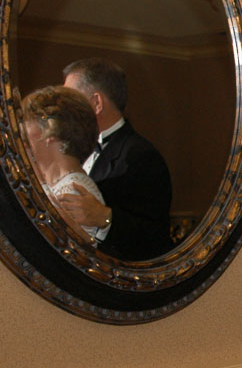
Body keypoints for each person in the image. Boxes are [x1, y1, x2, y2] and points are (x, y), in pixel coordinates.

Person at [59, 58, 173, 260]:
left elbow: (155, 235)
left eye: (71, 100)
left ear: (97, 103)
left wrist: (105, 217)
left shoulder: (141, 156)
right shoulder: (74, 150)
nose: (63, 110)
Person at [22, 85, 105, 240]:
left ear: (51, 132)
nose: (22, 133)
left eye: (27, 123)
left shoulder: (73, 190)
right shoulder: (55, 184)